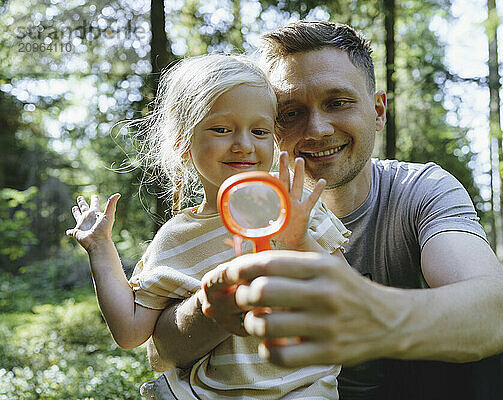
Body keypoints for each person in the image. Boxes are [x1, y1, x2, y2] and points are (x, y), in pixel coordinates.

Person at [148, 22, 503, 399]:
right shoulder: (234, 219)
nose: (317, 128)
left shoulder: (420, 190)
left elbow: (497, 317)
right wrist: (211, 308)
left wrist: (369, 312)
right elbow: (160, 352)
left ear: (378, 111)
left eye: (337, 103)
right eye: (290, 112)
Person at [66, 54, 353, 399]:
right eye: (221, 129)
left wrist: (300, 239)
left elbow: (347, 298)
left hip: (304, 391)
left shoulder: (297, 205)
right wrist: (100, 248)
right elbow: (129, 332)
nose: (244, 144)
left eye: (259, 131)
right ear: (183, 143)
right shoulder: (175, 237)